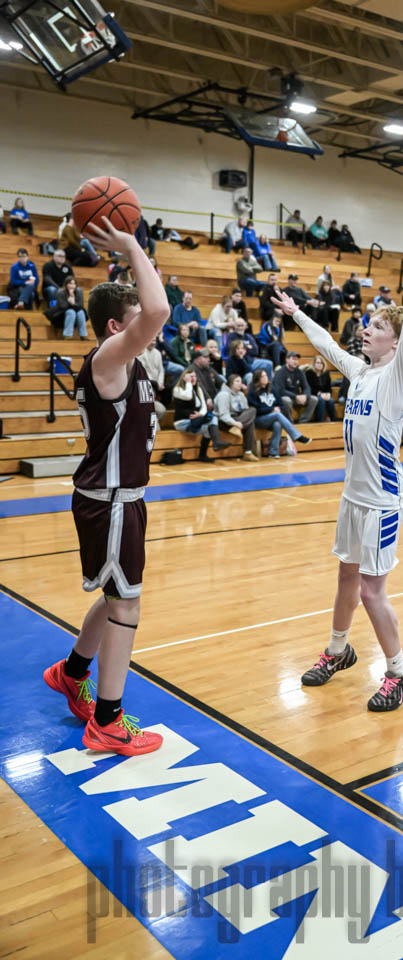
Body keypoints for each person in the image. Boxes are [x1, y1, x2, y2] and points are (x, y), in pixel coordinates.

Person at [270, 199, 403, 711]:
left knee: (372, 591)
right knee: (346, 578)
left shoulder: (396, 375)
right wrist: (298, 313)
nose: (366, 329)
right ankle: (338, 650)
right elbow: (328, 346)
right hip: (353, 497)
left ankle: (400, 671)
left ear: (395, 343)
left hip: (382, 503)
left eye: (375, 326)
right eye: (366, 324)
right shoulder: (361, 372)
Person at [42, 216, 168, 756]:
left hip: (119, 499)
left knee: (116, 594)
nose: (148, 327)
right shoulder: (108, 358)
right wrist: (133, 246)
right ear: (116, 327)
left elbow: (153, 310)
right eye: (135, 321)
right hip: (111, 502)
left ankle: (72, 673)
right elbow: (158, 311)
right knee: (127, 607)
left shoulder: (128, 362)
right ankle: (108, 721)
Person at [248, 369, 310, 457]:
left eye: (266, 375)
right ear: (257, 378)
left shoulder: (272, 389)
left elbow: (280, 404)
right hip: (259, 419)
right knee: (277, 415)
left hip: (272, 417)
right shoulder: (253, 391)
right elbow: (255, 409)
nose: (265, 378)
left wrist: (278, 409)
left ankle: (273, 452)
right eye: (262, 376)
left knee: (277, 424)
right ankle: (297, 436)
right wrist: (271, 410)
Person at [172, 369, 229, 460]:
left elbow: (204, 407)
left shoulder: (198, 389)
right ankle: (214, 444)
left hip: (196, 420)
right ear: (184, 378)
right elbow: (188, 396)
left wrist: (200, 414)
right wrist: (188, 383)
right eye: (190, 376)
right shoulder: (177, 389)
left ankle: (210, 448)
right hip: (182, 422)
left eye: (194, 376)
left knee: (212, 419)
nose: (193, 378)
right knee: (210, 425)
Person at [213, 374, 260, 461]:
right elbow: (223, 415)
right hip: (224, 421)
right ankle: (248, 451)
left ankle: (248, 453)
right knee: (250, 421)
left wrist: (239, 422)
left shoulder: (241, 395)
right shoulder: (223, 395)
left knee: (252, 411)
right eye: (237, 381)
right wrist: (234, 423)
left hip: (238, 419)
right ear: (231, 383)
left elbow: (246, 410)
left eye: (241, 382)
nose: (240, 384)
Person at [272, 351, 318, 423]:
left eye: (297, 359)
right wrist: (295, 396)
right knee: (286, 400)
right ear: (287, 360)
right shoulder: (280, 372)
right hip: (286, 397)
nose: (296, 362)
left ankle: (303, 421)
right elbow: (280, 390)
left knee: (314, 399)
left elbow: (307, 387)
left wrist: (305, 395)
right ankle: (289, 422)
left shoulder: (299, 372)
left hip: (297, 398)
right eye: (293, 359)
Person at [138, 339, 167, 424]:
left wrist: (160, 382)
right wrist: (155, 383)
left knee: (168, 391)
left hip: (155, 382)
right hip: (146, 382)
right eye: (151, 340)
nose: (153, 342)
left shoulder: (158, 353)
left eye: (154, 341)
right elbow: (142, 372)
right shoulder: (141, 353)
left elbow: (161, 370)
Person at [306, 355, 338, 422]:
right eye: (318, 363)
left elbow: (329, 387)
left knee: (331, 400)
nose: (320, 364)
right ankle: (320, 421)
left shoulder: (326, 373)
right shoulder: (309, 373)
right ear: (314, 364)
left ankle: (334, 421)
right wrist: (319, 394)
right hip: (314, 394)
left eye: (321, 363)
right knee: (321, 401)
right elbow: (309, 387)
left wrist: (328, 393)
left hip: (324, 394)